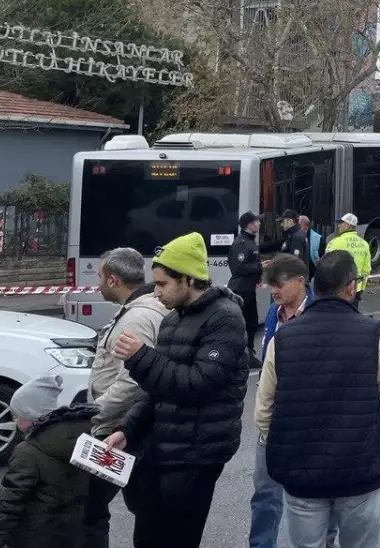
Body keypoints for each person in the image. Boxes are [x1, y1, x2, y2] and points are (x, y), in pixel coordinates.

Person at [108, 232, 249, 548]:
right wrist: (128, 429)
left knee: (176, 539)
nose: (155, 293)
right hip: (161, 448)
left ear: (188, 279)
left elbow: (197, 383)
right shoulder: (171, 320)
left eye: (162, 284)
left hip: (197, 454)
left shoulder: (226, 318)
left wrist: (141, 357)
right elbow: (156, 389)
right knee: (146, 537)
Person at [257, 251, 380, 548]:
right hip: (360, 472)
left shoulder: (282, 339)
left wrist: (276, 447)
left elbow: (263, 410)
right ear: (350, 286)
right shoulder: (373, 333)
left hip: (302, 476)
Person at [85, 247, 167, 548]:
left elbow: (132, 381)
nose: (97, 282)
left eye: (99, 276)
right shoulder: (143, 309)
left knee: (91, 508)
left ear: (113, 280)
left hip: (118, 430)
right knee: (143, 506)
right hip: (129, 428)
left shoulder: (137, 318)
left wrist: (95, 412)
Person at [0, 375, 98, 548]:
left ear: (31, 415)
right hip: (73, 535)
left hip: (33, 537)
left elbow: (10, 500)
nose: (15, 420)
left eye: (18, 415)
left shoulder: (28, 452)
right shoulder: (82, 438)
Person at [250, 254, 316, 548]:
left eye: (278, 284)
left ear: (301, 282)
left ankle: (325, 538)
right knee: (265, 490)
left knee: (316, 491)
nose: (273, 291)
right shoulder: (274, 313)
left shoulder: (321, 312)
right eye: (269, 285)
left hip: (310, 419)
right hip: (274, 418)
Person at [230, 211, 277, 368]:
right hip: (240, 290)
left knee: (252, 322)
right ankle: (243, 355)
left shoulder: (250, 241)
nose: (259, 224)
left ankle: (247, 353)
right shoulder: (241, 243)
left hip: (248, 289)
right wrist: (259, 266)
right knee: (246, 323)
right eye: (257, 221)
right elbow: (238, 268)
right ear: (249, 225)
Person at [324, 213, 371, 310]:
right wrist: (360, 289)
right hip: (355, 290)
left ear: (348, 225)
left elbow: (326, 266)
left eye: (341, 223)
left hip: (338, 289)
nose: (338, 225)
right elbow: (367, 269)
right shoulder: (364, 244)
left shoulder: (335, 242)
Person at [279, 209, 313, 276]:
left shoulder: (296, 237)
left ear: (290, 221)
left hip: (293, 280)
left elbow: (295, 263)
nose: (281, 224)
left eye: (283, 221)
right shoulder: (294, 235)